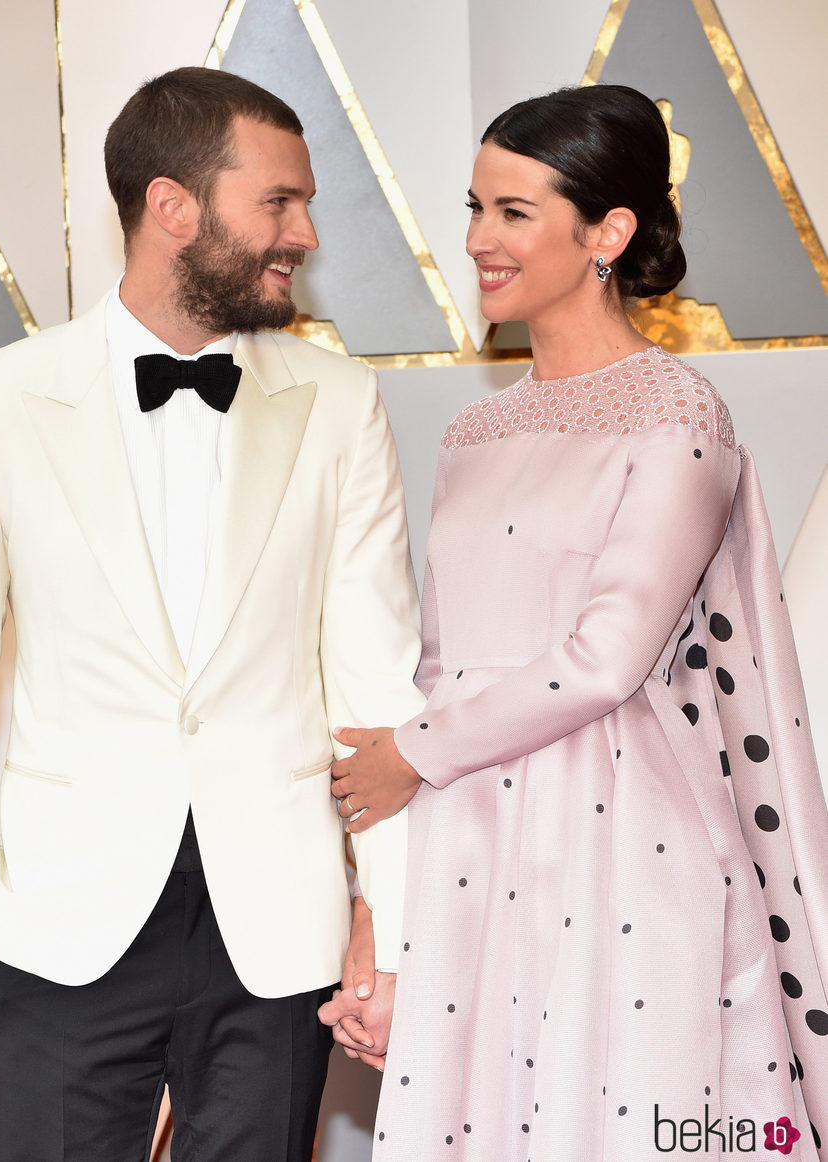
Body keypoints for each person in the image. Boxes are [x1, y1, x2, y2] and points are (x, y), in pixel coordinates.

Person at [0, 67, 423, 1161]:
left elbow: (375, 692)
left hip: (276, 936)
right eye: (278, 202)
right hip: (55, 936)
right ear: (173, 205)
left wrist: (394, 922)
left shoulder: (339, 404)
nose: (305, 232)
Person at [321, 85, 828, 1159]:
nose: (475, 241)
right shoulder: (474, 428)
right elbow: (439, 669)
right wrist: (384, 919)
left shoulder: (676, 414)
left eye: (512, 212)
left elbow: (606, 657)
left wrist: (411, 754)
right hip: (470, 843)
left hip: (624, 847)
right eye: (473, 207)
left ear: (607, 232)